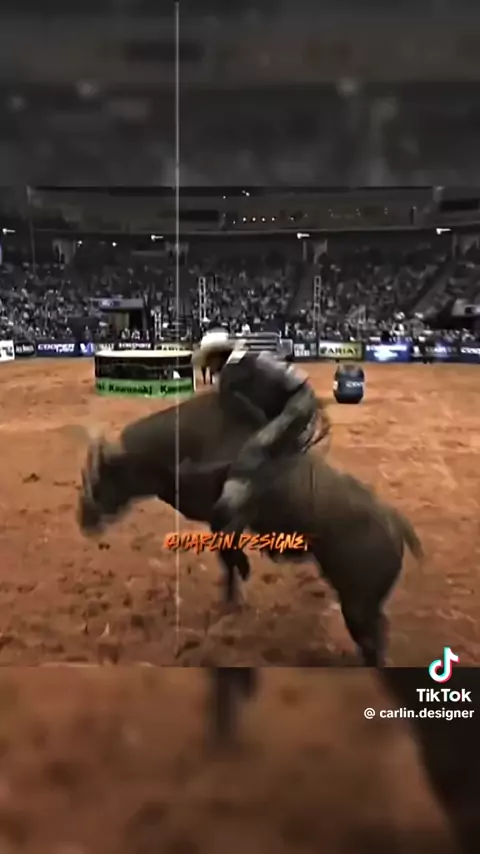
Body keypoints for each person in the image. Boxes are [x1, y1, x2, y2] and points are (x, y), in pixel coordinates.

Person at [192, 330, 319, 533]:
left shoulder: (231, 374)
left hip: (296, 404)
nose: (207, 367)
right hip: (297, 398)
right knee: (269, 449)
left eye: (209, 360)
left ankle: (235, 509)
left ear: (217, 356)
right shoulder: (243, 360)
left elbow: (241, 414)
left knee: (253, 449)